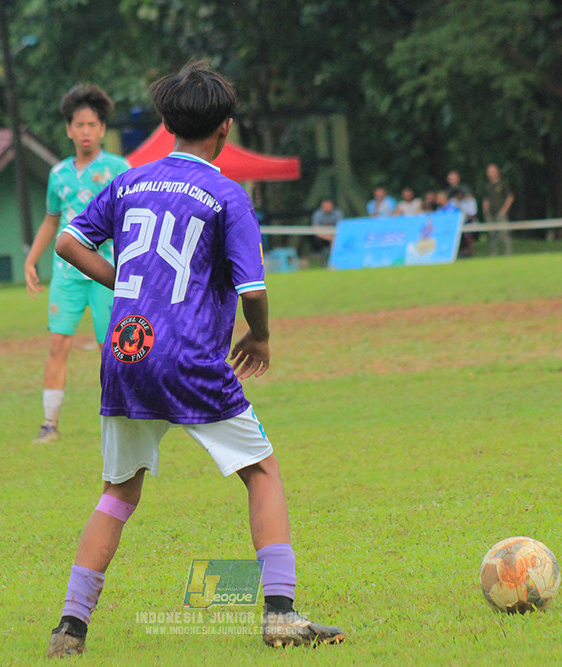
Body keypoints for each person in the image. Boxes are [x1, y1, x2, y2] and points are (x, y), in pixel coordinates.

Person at [46, 60, 345, 657]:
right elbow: (252, 290)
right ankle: (281, 615)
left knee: (116, 492)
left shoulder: (129, 181)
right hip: (188, 358)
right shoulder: (227, 194)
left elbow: (66, 240)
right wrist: (259, 338)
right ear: (225, 129)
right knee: (261, 471)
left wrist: (123, 282)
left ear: (165, 122)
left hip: (125, 351)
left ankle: (70, 629)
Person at [23, 85, 131, 443]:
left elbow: (131, 218)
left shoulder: (119, 169)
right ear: (68, 129)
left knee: (111, 348)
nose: (85, 131)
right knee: (58, 344)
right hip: (67, 274)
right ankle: (49, 424)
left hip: (106, 272)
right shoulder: (58, 175)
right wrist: (32, 259)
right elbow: (52, 221)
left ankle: (118, 420)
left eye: (92, 124)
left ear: (102, 129)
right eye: (79, 124)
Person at [482, 163, 515, 256]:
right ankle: (493, 254)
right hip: (490, 214)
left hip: (500, 213)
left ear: (497, 172)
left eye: (492, 171)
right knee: (492, 235)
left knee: (504, 233)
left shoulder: (503, 184)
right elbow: (485, 199)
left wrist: (504, 210)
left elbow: (510, 197)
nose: (490, 174)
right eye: (489, 172)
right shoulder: (487, 186)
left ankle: (508, 253)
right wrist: (486, 211)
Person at [446, 170, 477, 257]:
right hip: (454, 219)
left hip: (466, 217)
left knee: (467, 235)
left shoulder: (465, 188)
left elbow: (471, 205)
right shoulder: (448, 191)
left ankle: (468, 251)